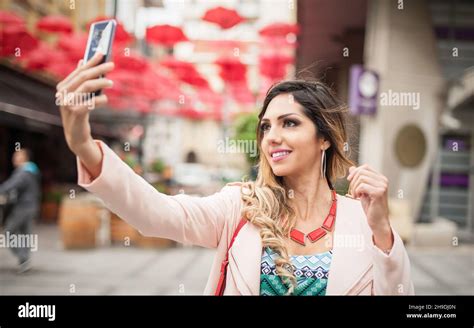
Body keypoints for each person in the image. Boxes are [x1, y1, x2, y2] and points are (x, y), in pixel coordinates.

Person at [56, 52, 414, 295]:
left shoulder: (363, 220)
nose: (272, 136)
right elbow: (155, 213)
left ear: (324, 139)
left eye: (289, 123)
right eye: (266, 126)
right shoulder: (240, 207)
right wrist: (84, 145)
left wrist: (382, 231)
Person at [0, 148, 41, 273]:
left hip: (23, 207)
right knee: (25, 234)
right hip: (31, 206)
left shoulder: (23, 172)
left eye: (17, 156)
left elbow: (12, 185)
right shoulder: (32, 171)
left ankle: (23, 258)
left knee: (8, 232)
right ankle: (25, 262)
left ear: (24, 158)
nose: (14, 158)